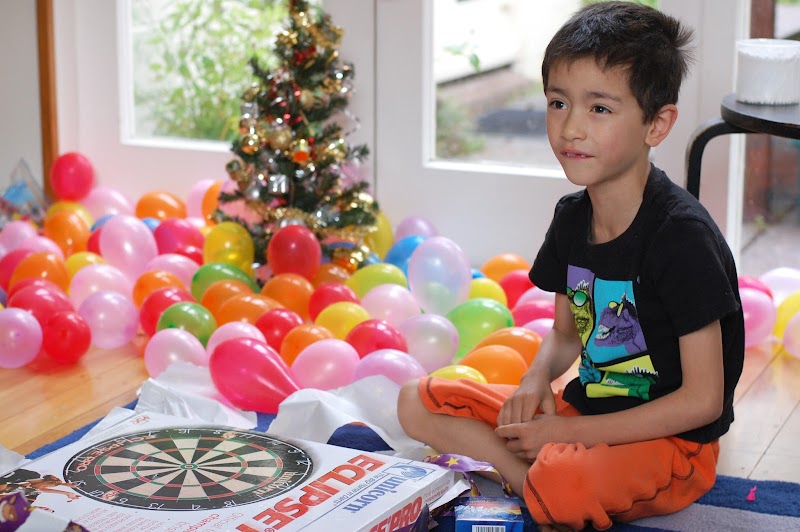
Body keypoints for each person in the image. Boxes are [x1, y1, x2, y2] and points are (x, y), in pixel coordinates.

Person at [397, 2, 745, 530]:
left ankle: (539, 480)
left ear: (657, 124)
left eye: (599, 108)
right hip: (585, 413)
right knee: (415, 402)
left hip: (671, 444)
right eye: (558, 103)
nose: (571, 128)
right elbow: (564, 334)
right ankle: (532, 478)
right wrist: (535, 380)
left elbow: (703, 401)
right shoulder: (571, 218)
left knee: (564, 482)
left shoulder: (681, 238)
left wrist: (565, 435)